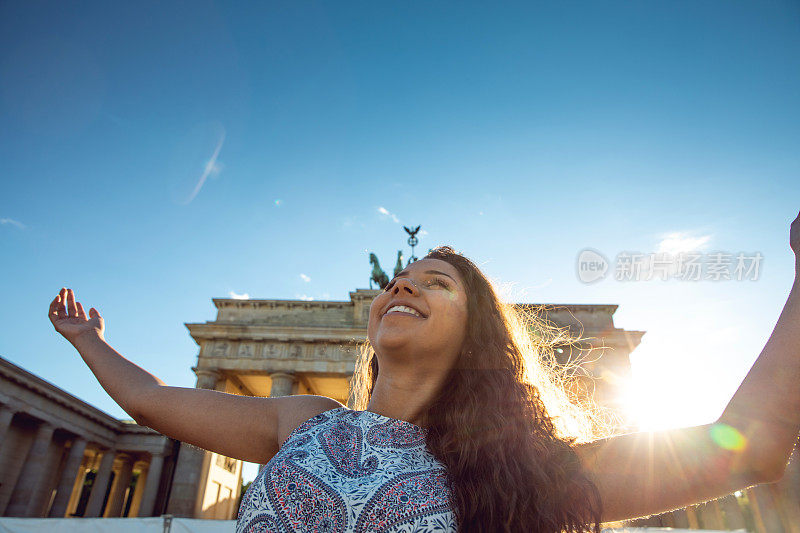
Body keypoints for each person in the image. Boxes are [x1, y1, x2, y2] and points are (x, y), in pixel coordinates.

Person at [49, 211, 800, 533]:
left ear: (479, 337)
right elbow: (148, 399)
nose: (403, 284)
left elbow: (752, 444)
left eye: (437, 282)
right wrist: (88, 340)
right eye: (399, 278)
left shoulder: (530, 472)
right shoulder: (301, 419)